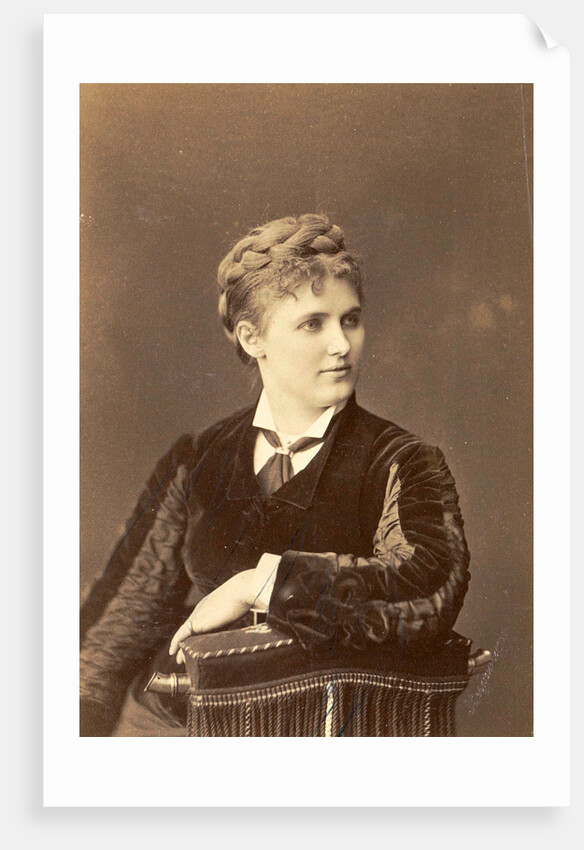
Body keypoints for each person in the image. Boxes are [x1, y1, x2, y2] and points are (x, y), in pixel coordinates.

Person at [80, 213, 471, 736]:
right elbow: (118, 622)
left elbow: (427, 591)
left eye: (350, 319)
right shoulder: (198, 459)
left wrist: (263, 583)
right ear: (252, 337)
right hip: (171, 732)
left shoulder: (402, 460)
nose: (342, 345)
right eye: (314, 323)